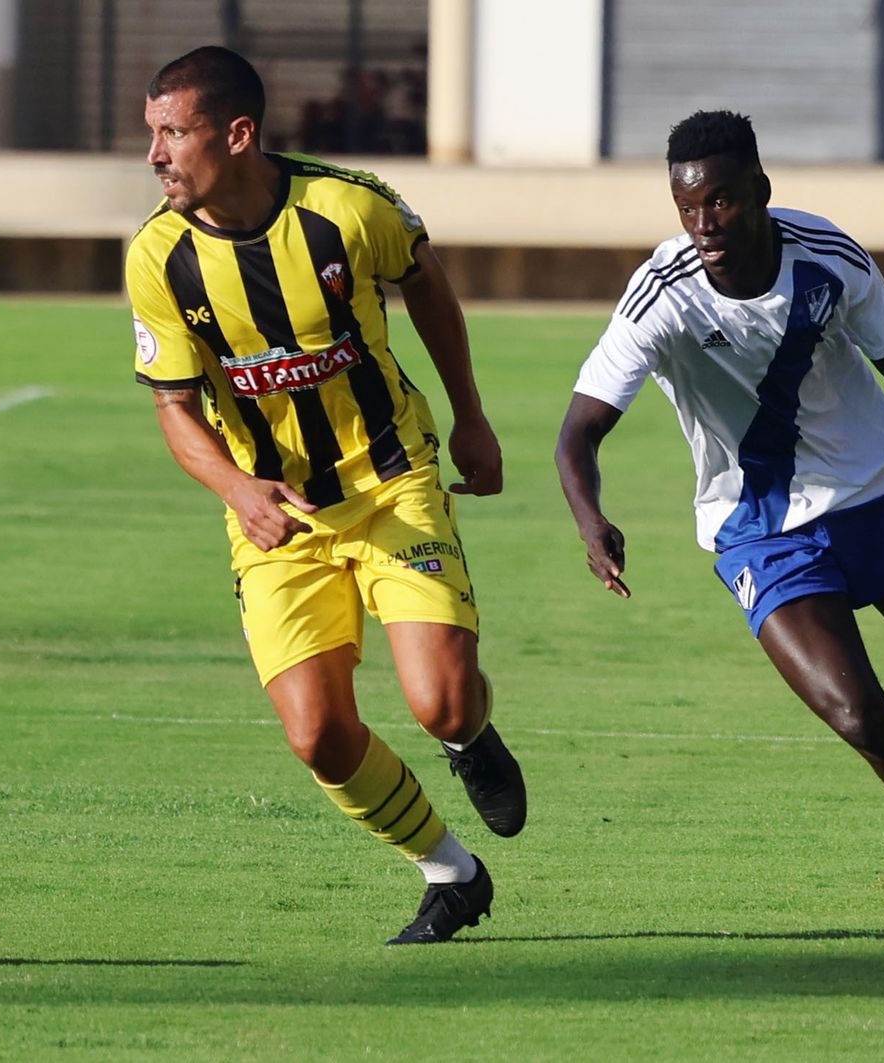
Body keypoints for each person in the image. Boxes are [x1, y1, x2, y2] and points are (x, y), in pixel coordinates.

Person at [555, 110, 884, 918]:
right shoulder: (660, 294)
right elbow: (579, 431)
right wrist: (590, 518)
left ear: (761, 191)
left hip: (873, 499)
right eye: (688, 207)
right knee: (856, 713)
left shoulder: (829, 257)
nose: (705, 224)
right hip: (758, 530)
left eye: (723, 201)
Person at [126, 46, 526, 945]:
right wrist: (239, 488)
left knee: (443, 703)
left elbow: (427, 285)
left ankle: (469, 741)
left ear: (236, 134)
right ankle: (449, 871)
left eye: (171, 132)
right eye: (149, 132)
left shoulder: (347, 209)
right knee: (317, 735)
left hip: (391, 484)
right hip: (277, 519)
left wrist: (472, 416)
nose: (153, 153)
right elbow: (175, 410)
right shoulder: (158, 256)